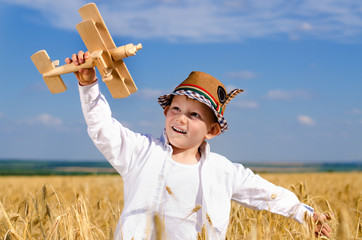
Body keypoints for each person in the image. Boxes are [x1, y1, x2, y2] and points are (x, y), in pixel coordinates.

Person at [66, 51, 332, 239]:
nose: (181, 118)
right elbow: (102, 129)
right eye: (176, 108)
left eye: (194, 115)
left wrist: (305, 214)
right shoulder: (141, 152)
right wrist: (88, 85)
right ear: (165, 112)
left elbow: (265, 194)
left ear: (213, 131)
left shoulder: (223, 171)